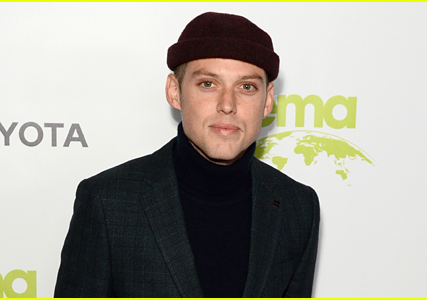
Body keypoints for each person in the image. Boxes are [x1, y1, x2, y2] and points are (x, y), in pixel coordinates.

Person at [54, 11, 320, 298]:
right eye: (208, 84)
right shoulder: (108, 202)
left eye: (246, 87)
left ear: (267, 100)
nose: (227, 105)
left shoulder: (298, 206)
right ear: (174, 91)